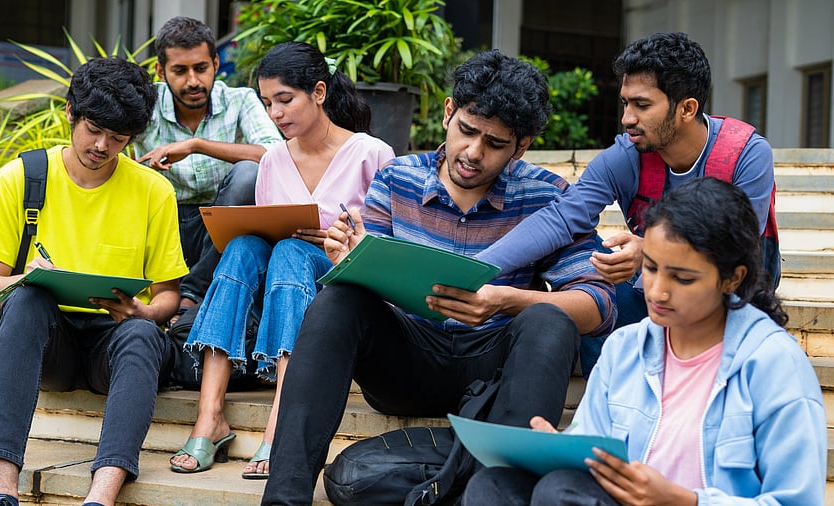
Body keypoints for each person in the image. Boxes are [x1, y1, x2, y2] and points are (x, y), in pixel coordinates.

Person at [261, 49, 616, 505]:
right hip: (408, 362)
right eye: (467, 131)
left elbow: (599, 304)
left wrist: (506, 300)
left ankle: (501, 492)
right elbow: (371, 288)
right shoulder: (397, 178)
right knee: (338, 298)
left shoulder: (548, 195)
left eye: (495, 143)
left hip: (498, 374)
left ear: (521, 145)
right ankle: (285, 498)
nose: (473, 152)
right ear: (449, 113)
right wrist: (351, 258)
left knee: (548, 319)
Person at [462, 177, 826, 505]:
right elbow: (591, 457)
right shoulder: (625, 348)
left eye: (682, 279)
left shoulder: (774, 364)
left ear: (733, 279)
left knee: (561, 494)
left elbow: (797, 500)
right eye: (650, 268)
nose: (658, 291)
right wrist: (555, 450)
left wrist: (685, 501)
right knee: (494, 486)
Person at [476, 32, 778, 378]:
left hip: (732, 285)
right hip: (652, 283)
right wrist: (475, 269)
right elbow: (561, 218)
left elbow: (740, 247)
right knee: (598, 288)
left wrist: (652, 249)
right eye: (625, 103)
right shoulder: (627, 155)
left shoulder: (747, 154)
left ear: (687, 108)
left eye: (642, 105)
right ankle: (605, 397)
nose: (627, 118)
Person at [168, 41, 394, 477]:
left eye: (285, 100)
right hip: (282, 287)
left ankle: (280, 427)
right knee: (240, 248)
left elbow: (388, 242)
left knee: (291, 251)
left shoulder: (372, 153)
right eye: (268, 103)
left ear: (320, 93)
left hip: (342, 287)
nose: (275, 113)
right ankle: (209, 418)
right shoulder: (273, 159)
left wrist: (340, 239)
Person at [0, 58, 188, 506]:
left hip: (115, 344)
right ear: (70, 111)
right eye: (94, 129)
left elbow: (169, 294)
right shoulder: (23, 178)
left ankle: (100, 497)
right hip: (48, 343)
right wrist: (27, 278)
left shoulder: (154, 191)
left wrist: (146, 311)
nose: (103, 146)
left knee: (145, 332)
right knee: (28, 300)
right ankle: (2, 491)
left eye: (119, 138)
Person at [133, 16, 283, 323]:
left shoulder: (239, 100)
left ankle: (191, 294)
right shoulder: (146, 104)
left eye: (201, 68)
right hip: (163, 221)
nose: (193, 82)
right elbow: (111, 145)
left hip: (219, 226)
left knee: (249, 175)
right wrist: (137, 167)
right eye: (179, 70)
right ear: (161, 71)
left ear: (215, 62)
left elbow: (274, 154)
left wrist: (196, 145)